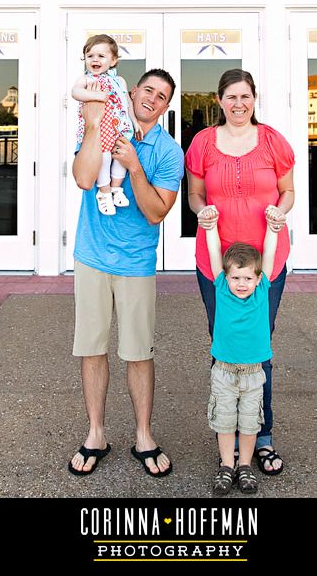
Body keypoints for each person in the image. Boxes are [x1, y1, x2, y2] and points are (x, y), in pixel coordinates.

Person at [69, 69, 184, 478]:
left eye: (162, 96)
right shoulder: (99, 122)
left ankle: (143, 436)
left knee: (138, 352)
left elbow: (156, 213)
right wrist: (96, 123)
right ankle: (96, 433)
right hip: (92, 256)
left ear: (167, 106)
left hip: (136, 262)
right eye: (148, 90)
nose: (152, 98)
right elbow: (84, 178)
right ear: (132, 92)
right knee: (92, 347)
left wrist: (134, 166)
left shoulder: (169, 152)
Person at [185, 68, 295, 477]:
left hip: (266, 262)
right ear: (219, 101)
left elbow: (289, 190)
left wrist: (280, 213)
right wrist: (203, 213)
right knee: (224, 343)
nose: (238, 104)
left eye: (245, 96)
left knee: (258, 346)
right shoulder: (202, 143)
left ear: (254, 98)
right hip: (216, 263)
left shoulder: (272, 141)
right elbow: (195, 194)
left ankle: (261, 436)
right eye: (231, 97)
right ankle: (226, 436)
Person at [201, 204, 278, 495]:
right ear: (226, 276)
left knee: (248, 423)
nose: (241, 283)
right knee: (224, 421)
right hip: (223, 371)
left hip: (253, 373)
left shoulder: (261, 290)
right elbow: (213, 253)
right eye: (236, 277)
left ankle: (244, 465)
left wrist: (272, 229)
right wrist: (211, 226)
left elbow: (268, 256)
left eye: (247, 278)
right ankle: (226, 465)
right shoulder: (221, 287)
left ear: (258, 279)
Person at [72, 34, 142, 216]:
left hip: (118, 127)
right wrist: (97, 96)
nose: (95, 60)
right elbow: (76, 92)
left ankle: (116, 189)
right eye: (90, 56)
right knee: (103, 159)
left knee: (119, 157)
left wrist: (134, 122)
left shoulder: (119, 81)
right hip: (100, 129)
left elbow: (126, 103)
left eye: (101, 56)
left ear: (113, 61)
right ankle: (103, 193)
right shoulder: (87, 80)